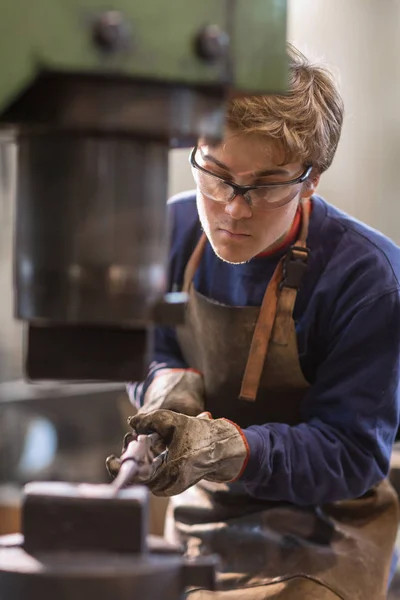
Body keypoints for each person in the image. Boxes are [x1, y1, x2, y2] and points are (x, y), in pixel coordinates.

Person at [108, 44, 400, 599]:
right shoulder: (169, 232)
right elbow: (144, 347)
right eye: (216, 175)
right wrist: (161, 379)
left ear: (311, 179)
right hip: (204, 513)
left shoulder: (370, 279)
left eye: (265, 185)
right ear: (194, 152)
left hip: (328, 528)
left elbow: (355, 452)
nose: (234, 208)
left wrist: (234, 448)